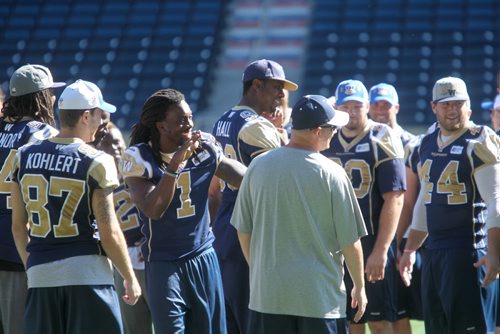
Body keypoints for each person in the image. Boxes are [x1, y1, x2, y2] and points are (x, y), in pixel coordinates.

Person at [10, 79, 141, 334]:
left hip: (40, 275)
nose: (102, 122)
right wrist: (129, 276)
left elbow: (18, 227)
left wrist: (35, 267)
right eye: (99, 115)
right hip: (87, 277)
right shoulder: (97, 161)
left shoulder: (23, 155)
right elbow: (109, 231)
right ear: (85, 116)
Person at [231, 95, 366, 334]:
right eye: (331, 128)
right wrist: (359, 286)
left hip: (268, 297)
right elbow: (350, 241)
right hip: (319, 299)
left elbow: (243, 229)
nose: (335, 132)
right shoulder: (333, 173)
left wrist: (261, 269)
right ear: (316, 131)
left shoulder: (258, 166)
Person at [120, 88, 247, 334]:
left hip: (202, 255)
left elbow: (243, 177)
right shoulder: (140, 157)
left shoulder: (205, 147)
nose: (189, 124)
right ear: (160, 126)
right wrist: (175, 164)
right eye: (181, 120)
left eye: (189, 117)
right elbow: (153, 209)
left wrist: (271, 166)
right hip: (164, 262)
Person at [399, 77, 500, 334]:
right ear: (434, 107)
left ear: (469, 106)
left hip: (469, 253)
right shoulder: (427, 142)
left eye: (458, 103)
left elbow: (495, 202)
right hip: (434, 252)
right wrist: (410, 249)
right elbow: (426, 198)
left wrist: (495, 253)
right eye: (446, 104)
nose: (452, 110)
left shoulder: (478, 141)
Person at [210, 58, 297, 334]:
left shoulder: (223, 119)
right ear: (256, 86)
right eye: (276, 87)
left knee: (232, 321)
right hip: (252, 230)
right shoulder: (257, 126)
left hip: (225, 225)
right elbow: (278, 183)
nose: (282, 96)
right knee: (257, 322)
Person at [322, 79, 406, 334]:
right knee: (349, 322)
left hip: (370, 239)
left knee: (380, 322)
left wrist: (381, 250)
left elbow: (395, 197)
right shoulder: (326, 136)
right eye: (345, 106)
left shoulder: (381, 136)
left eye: (357, 105)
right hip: (334, 242)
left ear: (367, 106)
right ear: (336, 107)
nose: (351, 112)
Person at [0, 64, 65, 334]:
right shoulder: (43, 134)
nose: (53, 99)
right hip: (22, 252)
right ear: (40, 96)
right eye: (50, 93)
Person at [368, 83, 423, 333]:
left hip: (406, 239)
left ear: (396, 107)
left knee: (401, 312)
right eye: (376, 104)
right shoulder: (365, 139)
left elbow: (412, 199)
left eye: (386, 105)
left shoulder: (411, 143)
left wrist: (406, 242)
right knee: (368, 315)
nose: (381, 110)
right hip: (373, 236)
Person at [96, 123, 153, 334]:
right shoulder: (98, 178)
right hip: (123, 259)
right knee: (133, 326)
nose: (116, 148)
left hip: (150, 254)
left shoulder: (141, 172)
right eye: (108, 144)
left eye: (118, 142)